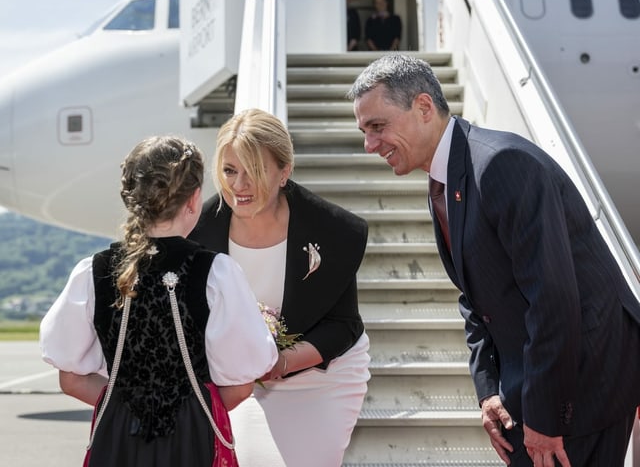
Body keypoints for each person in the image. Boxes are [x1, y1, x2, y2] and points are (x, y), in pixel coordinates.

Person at [347, 53, 640, 466]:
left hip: (584, 381)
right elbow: (474, 296)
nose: (369, 144)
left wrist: (543, 416)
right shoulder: (446, 180)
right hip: (538, 377)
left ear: (424, 108)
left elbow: (552, 297)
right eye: (364, 131)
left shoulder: (500, 164)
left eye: (378, 126)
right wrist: (488, 389)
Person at [39, 136, 279, 467]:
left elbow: (72, 379)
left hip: (118, 437)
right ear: (194, 199)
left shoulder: (93, 272)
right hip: (191, 438)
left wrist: (128, 405)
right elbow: (239, 387)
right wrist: (186, 409)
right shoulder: (216, 273)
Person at [188, 108, 371, 467]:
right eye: (229, 171)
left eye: (254, 171)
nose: (238, 185)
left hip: (324, 377)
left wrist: (279, 362)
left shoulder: (334, 230)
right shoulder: (197, 234)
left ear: (284, 172)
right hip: (241, 383)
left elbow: (344, 326)